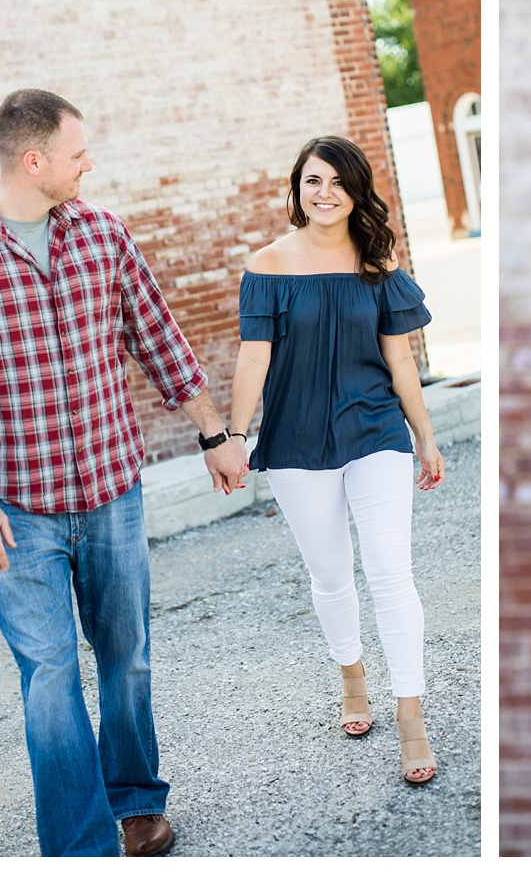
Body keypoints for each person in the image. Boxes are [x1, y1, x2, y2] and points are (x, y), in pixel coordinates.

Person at [0, 88, 250, 856]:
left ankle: (135, 800)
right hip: (15, 511)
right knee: (51, 677)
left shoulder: (100, 233)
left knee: (126, 656)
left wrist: (215, 434)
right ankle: (79, 850)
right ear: (34, 161)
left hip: (111, 492)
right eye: (77, 154)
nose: (88, 166)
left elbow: (158, 334)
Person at [227, 135, 445, 786]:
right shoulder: (266, 266)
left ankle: (412, 719)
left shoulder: (379, 263)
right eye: (313, 181)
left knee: (390, 573)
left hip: (375, 431)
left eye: (337, 183)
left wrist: (425, 437)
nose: (325, 194)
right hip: (295, 444)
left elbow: (400, 358)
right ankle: (353, 679)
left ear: (356, 192)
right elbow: (253, 358)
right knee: (330, 574)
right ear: (297, 188)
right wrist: (235, 438)